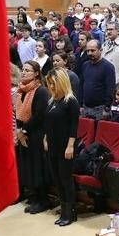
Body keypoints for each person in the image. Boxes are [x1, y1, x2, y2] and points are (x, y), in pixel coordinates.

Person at [43, 69, 80, 226]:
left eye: (53, 83)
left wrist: (70, 146)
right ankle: (64, 207)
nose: (51, 86)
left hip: (65, 146)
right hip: (52, 145)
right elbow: (48, 123)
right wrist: (45, 137)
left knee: (66, 180)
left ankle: (70, 212)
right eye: (49, 84)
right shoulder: (53, 101)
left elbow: (73, 126)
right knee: (57, 179)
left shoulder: (70, 101)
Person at [16, 60, 51, 214]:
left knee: (37, 168)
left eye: (28, 70)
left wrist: (23, 130)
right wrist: (20, 129)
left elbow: (39, 115)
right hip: (24, 132)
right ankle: (34, 196)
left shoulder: (41, 91)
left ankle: (43, 200)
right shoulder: (22, 90)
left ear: (37, 73)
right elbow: (19, 112)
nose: (24, 72)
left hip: (36, 133)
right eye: (23, 70)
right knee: (27, 167)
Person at [79, 39, 115, 120]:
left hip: (100, 109)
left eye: (92, 50)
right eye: (88, 51)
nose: (89, 53)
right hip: (85, 107)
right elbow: (81, 85)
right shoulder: (85, 65)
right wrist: (80, 104)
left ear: (100, 50)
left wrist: (107, 108)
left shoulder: (108, 67)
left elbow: (110, 89)